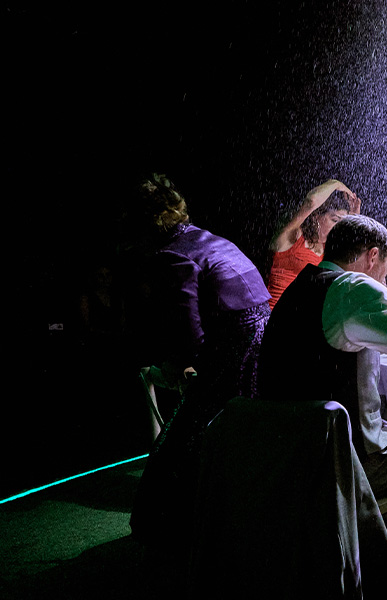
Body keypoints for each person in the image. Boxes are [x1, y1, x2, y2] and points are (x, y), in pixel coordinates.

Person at [258, 214, 387, 494]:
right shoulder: (352, 289)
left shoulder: (300, 287)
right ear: (372, 256)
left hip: (290, 459)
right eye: (385, 274)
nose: (384, 283)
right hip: (343, 467)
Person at [129, 173, 272, 546]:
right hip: (259, 331)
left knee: (191, 429)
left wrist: (186, 362)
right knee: (243, 425)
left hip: (235, 336)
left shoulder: (170, 253)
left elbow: (186, 321)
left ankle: (166, 528)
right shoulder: (207, 237)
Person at [266, 179, 361, 309]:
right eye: (334, 220)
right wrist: (335, 183)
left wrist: (355, 217)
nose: (337, 227)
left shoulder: (328, 253)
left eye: (341, 223)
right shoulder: (293, 238)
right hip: (272, 318)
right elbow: (311, 202)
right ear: (316, 216)